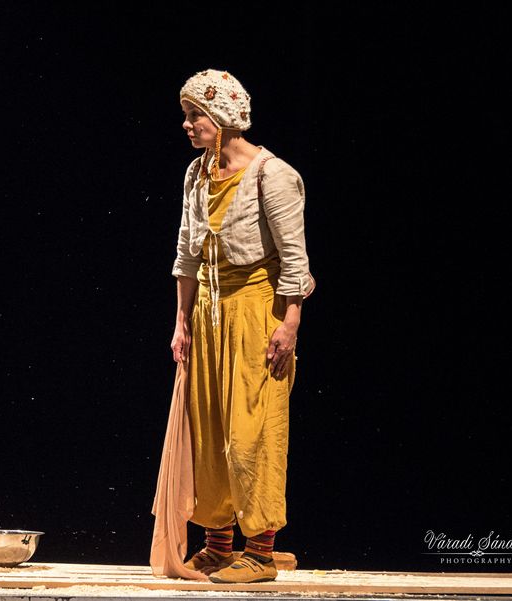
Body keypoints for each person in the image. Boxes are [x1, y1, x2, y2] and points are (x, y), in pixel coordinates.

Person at [169, 68, 316, 584]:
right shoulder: (196, 173)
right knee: (209, 428)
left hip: (258, 308)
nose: (187, 124)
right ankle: (218, 545)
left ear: (224, 116)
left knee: (253, 431)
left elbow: (294, 258)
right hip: (208, 312)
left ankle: (261, 551)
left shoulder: (272, 175)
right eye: (186, 115)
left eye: (196, 115)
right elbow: (187, 253)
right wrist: (181, 320)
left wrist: (290, 322)